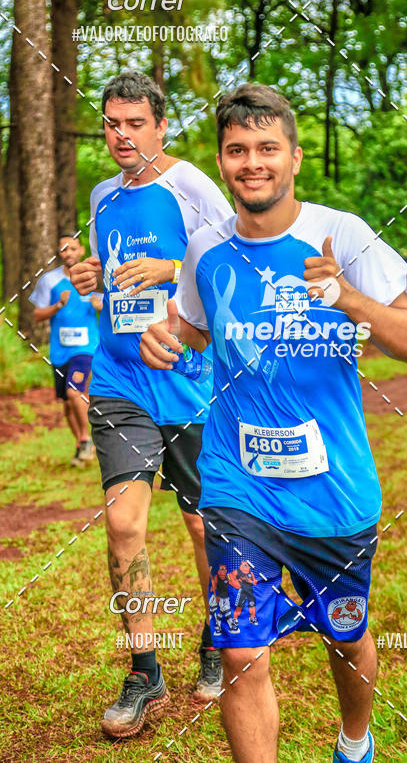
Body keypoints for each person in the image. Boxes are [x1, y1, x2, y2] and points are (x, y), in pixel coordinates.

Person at [140, 82, 407, 763]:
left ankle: (354, 740)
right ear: (222, 161)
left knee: (345, 635)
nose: (253, 161)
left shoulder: (343, 234)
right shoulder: (206, 250)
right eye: (237, 149)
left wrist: (345, 294)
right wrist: (167, 335)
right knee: (241, 651)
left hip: (334, 491)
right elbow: (195, 326)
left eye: (267, 147)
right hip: (239, 485)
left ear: (294, 157)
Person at [70, 71, 232, 737]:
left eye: (135, 123)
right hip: (120, 379)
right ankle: (144, 670)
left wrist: (171, 270)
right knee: (124, 526)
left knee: (202, 527)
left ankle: (218, 644)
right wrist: (91, 282)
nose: (122, 135)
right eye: (112, 123)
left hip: (191, 381)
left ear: (161, 127)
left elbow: (233, 258)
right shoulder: (102, 195)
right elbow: (113, 289)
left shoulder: (189, 184)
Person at [29, 233, 102, 466]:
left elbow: (113, 307)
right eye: (63, 249)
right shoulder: (49, 281)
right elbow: (37, 315)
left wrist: (101, 305)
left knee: (74, 392)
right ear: (59, 253)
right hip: (59, 352)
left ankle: (87, 439)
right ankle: (82, 443)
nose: (68, 253)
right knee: (68, 404)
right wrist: (58, 304)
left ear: (81, 251)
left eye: (72, 249)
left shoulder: (94, 279)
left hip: (86, 348)